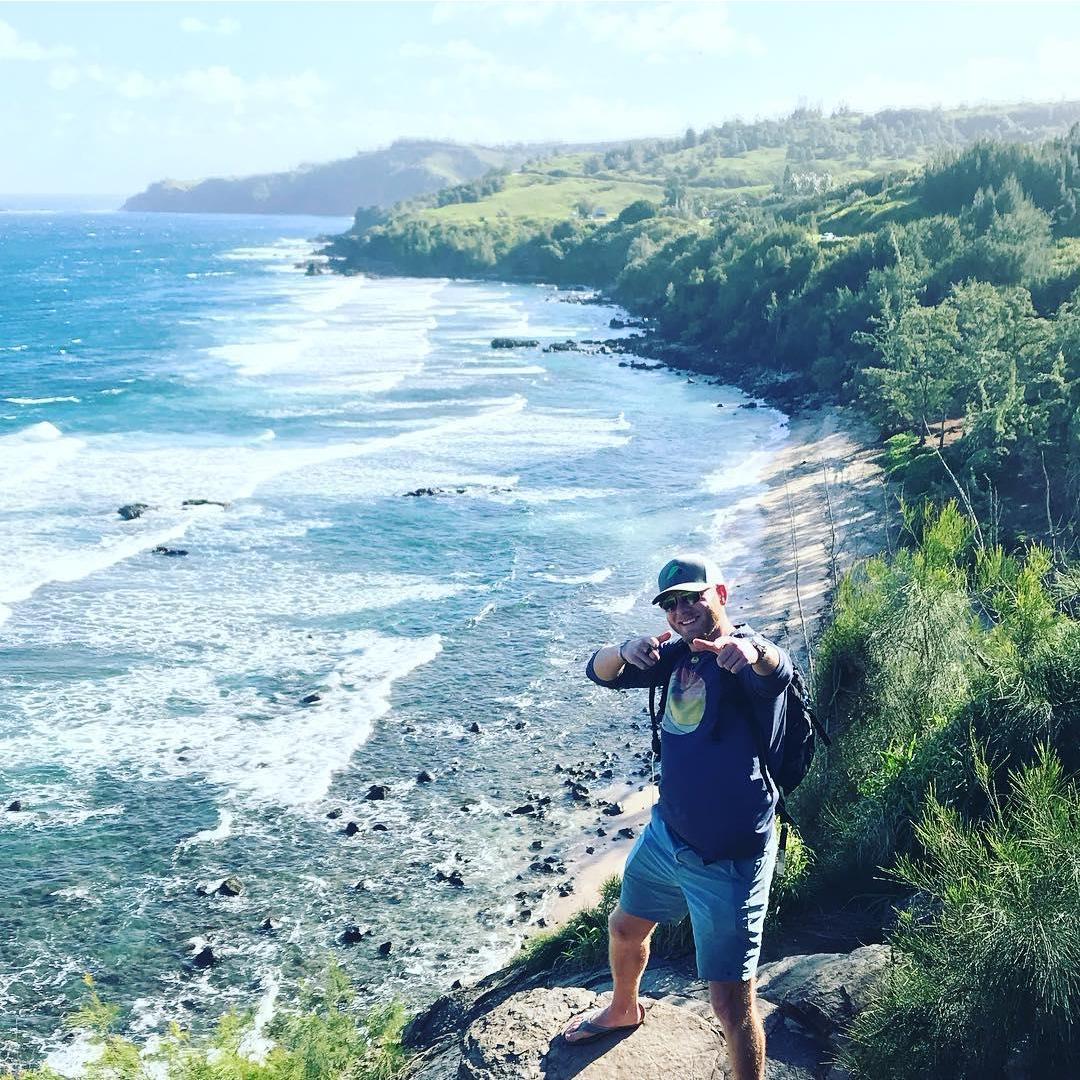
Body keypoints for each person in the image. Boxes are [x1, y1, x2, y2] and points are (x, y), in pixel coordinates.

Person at [563, 554, 792, 1080]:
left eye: (693, 597)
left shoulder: (743, 659)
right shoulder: (673, 655)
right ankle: (624, 1009)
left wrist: (750, 651)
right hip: (669, 833)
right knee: (624, 928)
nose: (682, 610)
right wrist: (623, 649)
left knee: (731, 1005)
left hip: (728, 854)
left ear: (722, 594)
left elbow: (775, 667)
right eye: (671, 603)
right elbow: (598, 672)